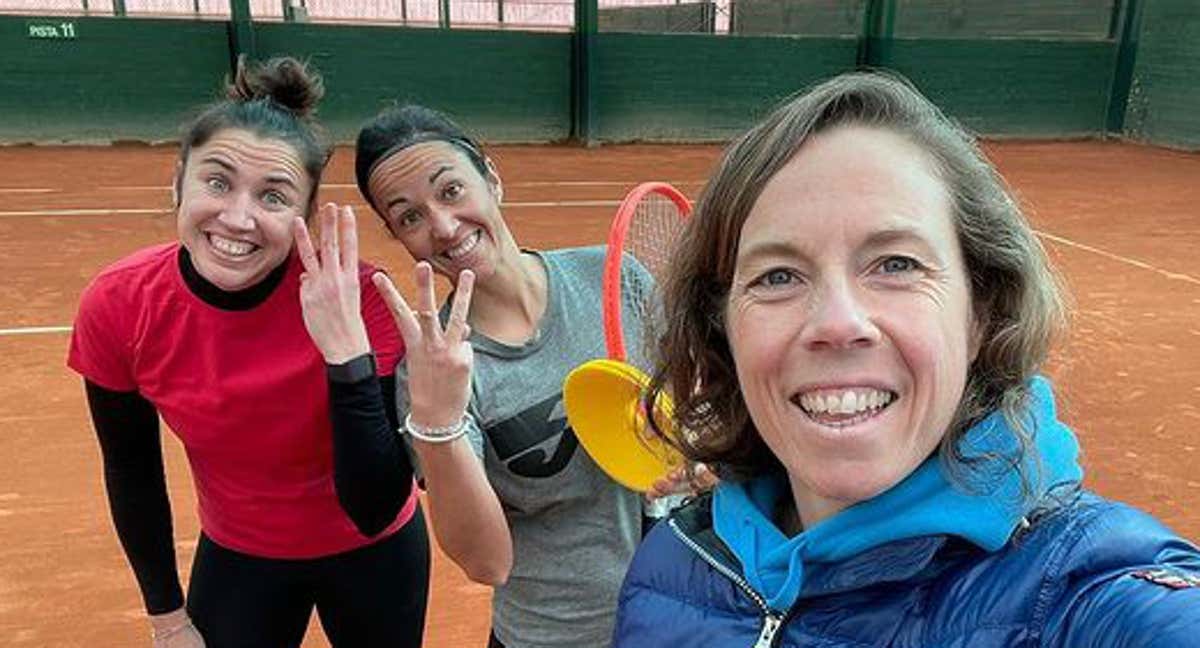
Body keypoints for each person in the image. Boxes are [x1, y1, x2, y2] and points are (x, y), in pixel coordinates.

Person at [613, 71, 1200, 647]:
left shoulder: (1079, 591)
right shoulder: (669, 567)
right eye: (778, 276)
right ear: (724, 330)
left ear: (981, 314)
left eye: (897, 264)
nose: (837, 323)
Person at [67, 57, 428, 648]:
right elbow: (131, 468)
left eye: (274, 196)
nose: (238, 218)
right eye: (217, 181)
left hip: (376, 552)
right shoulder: (119, 304)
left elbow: (374, 502)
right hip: (241, 554)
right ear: (177, 180)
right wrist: (167, 618)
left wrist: (346, 354)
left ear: (304, 217)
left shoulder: (364, 297)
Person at [355, 104, 674, 648]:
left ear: (491, 178)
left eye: (451, 190)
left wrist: (698, 455)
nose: (443, 226)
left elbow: (699, 410)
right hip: (552, 636)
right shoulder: (433, 370)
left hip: (677, 614)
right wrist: (438, 422)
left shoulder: (612, 276)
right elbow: (487, 562)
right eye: (409, 216)